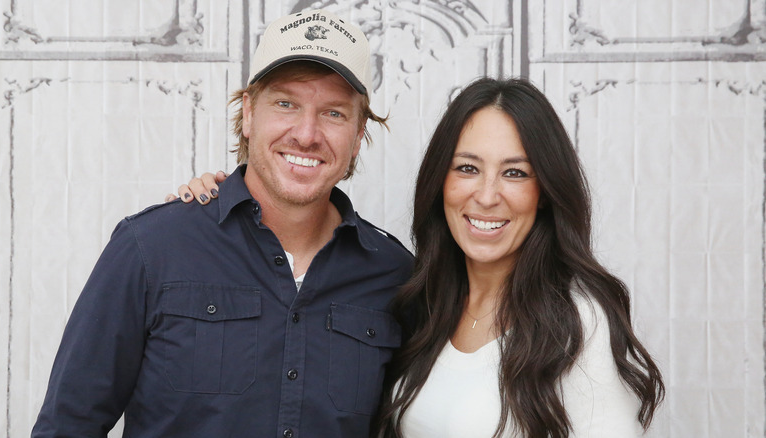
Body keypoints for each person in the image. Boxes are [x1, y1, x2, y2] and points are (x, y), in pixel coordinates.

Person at [180, 78, 665, 437]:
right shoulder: (420, 300)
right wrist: (222, 205)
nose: (488, 195)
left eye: (515, 173)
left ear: (545, 193)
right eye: (467, 168)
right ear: (441, 183)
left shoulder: (575, 320)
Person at [32, 9, 413, 438]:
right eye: (285, 103)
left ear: (360, 134)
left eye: (334, 114)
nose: (307, 134)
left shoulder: (398, 276)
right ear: (249, 114)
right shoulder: (152, 247)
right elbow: (68, 424)